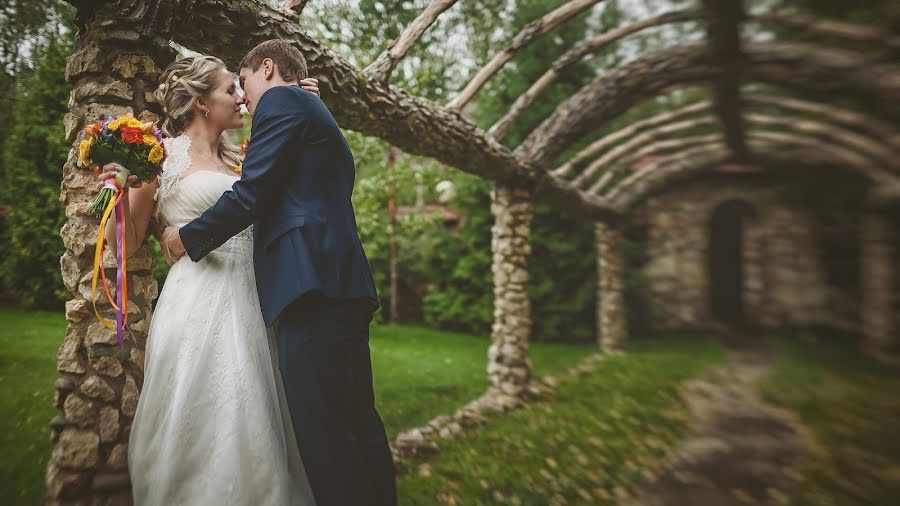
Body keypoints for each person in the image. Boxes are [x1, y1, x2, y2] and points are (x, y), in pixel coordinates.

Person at [162, 40, 397, 506]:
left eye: (244, 83)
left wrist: (184, 239)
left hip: (311, 287)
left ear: (267, 67)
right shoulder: (308, 108)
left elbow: (253, 194)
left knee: (325, 433)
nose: (244, 98)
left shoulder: (285, 102)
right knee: (355, 421)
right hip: (338, 283)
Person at [95, 54, 321, 505]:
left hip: (255, 297)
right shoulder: (161, 155)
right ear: (200, 102)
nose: (242, 97)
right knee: (205, 409)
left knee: (257, 410)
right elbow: (135, 237)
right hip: (197, 300)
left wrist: (302, 106)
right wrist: (118, 194)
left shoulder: (245, 158)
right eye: (229, 90)